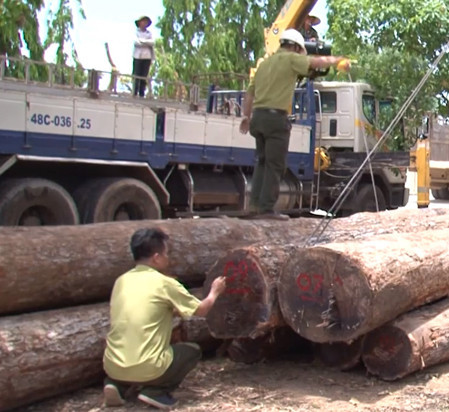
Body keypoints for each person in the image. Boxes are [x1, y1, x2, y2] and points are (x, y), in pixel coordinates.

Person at [102, 228, 227, 409]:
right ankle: (156, 392)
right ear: (156, 257)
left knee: (128, 352)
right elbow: (201, 310)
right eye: (166, 254)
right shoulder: (164, 283)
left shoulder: (121, 281)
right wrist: (215, 292)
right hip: (147, 367)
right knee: (191, 351)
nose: (168, 258)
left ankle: (117, 385)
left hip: (112, 366)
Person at [239, 29, 350, 220]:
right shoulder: (291, 58)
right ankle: (266, 209)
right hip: (275, 119)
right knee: (276, 165)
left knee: (262, 162)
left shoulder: (264, 64)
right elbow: (315, 63)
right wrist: (337, 59)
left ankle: (254, 206)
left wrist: (245, 117)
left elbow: (249, 93)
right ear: (295, 47)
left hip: (258, 117)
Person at [132, 16, 155, 97]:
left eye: (146, 22)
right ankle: (134, 93)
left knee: (144, 76)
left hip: (147, 57)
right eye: (143, 22)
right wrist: (145, 42)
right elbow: (136, 42)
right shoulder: (136, 32)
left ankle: (142, 93)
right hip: (138, 56)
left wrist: (142, 41)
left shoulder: (149, 33)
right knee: (136, 75)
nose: (144, 24)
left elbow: (152, 42)